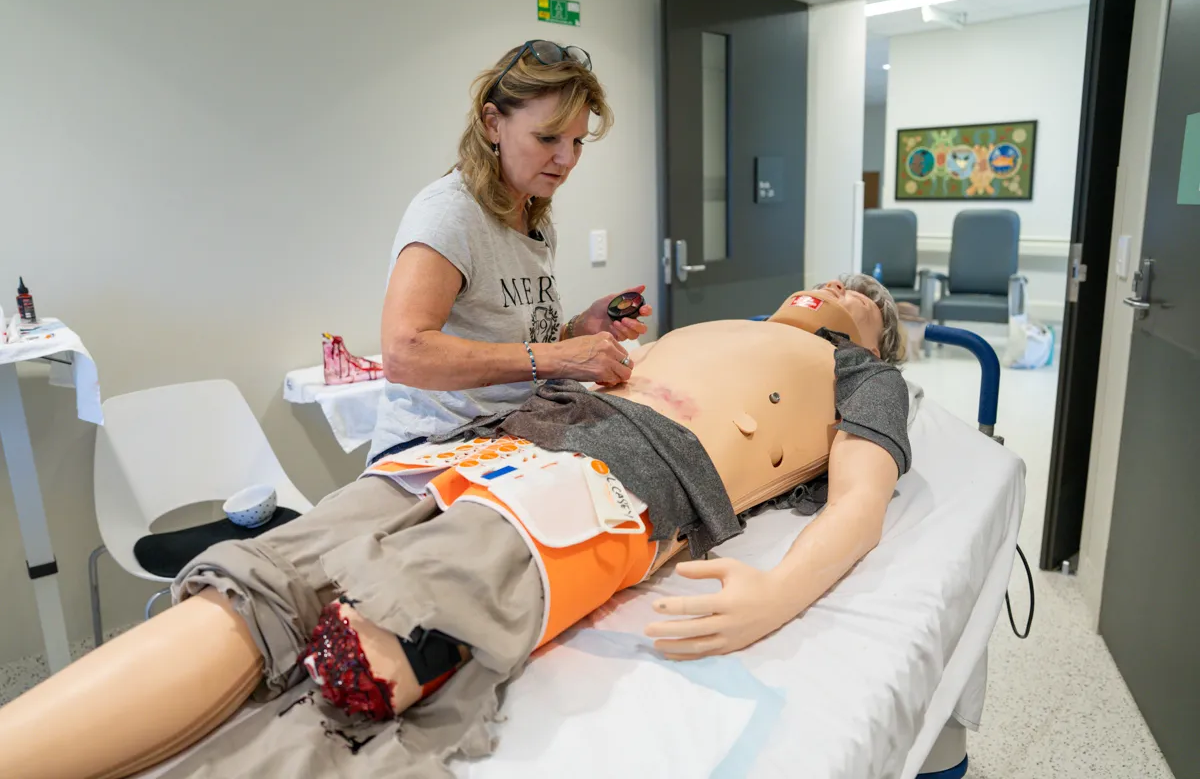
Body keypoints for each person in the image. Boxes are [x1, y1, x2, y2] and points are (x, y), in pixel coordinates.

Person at [0, 275, 907, 779]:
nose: (839, 284)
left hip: (619, 483)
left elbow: (860, 500)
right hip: (490, 443)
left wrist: (778, 594)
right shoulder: (714, 323)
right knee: (258, 585)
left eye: (865, 293)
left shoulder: (858, 376)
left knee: (364, 666)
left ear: (875, 339)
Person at [370, 38, 652, 466]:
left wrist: (578, 328)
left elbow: (513, 347)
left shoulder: (533, 218)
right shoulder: (450, 213)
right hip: (434, 446)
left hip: (510, 431)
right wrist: (562, 357)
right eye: (548, 137)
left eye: (577, 142)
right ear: (492, 124)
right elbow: (405, 355)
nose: (566, 159)